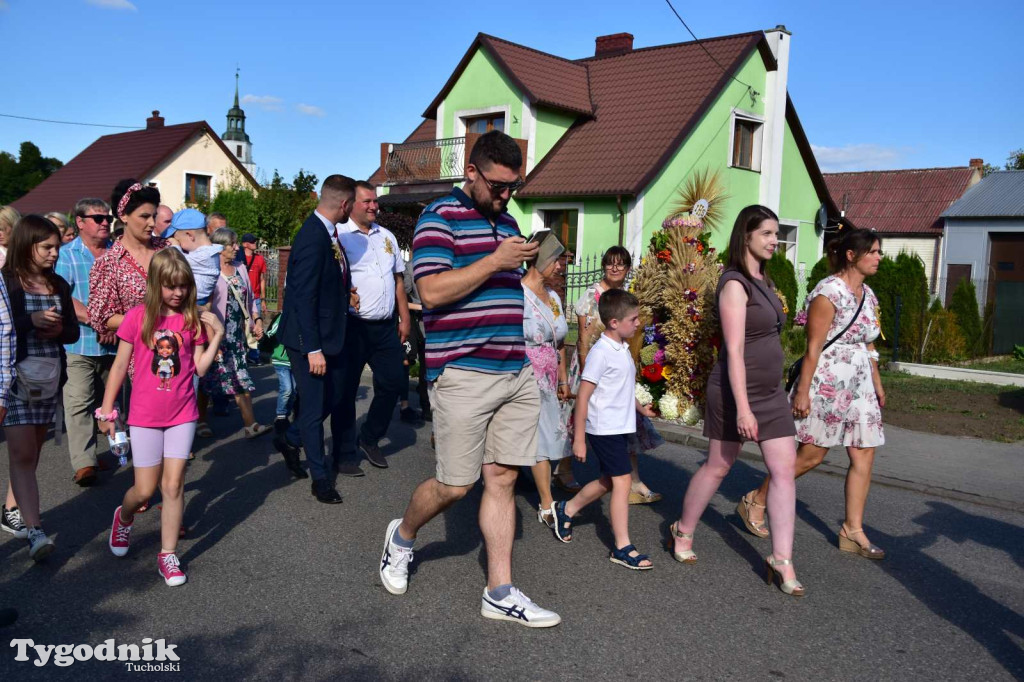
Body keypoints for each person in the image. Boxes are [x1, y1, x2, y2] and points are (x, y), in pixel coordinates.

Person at [378, 131, 559, 627]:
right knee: (454, 486)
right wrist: (496, 260)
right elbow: (431, 292)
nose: (506, 196)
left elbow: (506, 285)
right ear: (472, 173)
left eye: (513, 186)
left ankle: (499, 591)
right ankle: (403, 536)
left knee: (501, 478)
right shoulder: (439, 218)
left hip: (514, 368)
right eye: (498, 185)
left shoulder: (509, 221)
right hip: (461, 371)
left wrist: (528, 265)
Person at [667, 205, 803, 596]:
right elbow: (734, 350)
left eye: (776, 233)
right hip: (734, 392)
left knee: (783, 470)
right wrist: (743, 408)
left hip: (772, 393)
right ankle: (683, 529)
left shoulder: (764, 279)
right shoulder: (734, 284)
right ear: (746, 236)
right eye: (767, 234)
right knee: (718, 467)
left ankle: (782, 557)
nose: (775, 240)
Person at [741, 227, 887, 560]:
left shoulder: (869, 294)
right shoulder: (828, 292)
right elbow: (813, 346)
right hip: (828, 380)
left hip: (860, 382)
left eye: (880, 252)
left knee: (864, 453)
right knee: (812, 455)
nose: (879, 258)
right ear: (852, 255)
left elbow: (869, 341)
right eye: (874, 252)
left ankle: (853, 530)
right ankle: (757, 498)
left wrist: (877, 382)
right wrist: (802, 392)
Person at [99, 248, 224, 587]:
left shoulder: (192, 320)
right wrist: (107, 409)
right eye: (170, 286)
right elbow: (119, 367)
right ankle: (123, 517)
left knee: (173, 485)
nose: (178, 292)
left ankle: (167, 554)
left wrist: (218, 338)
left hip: (183, 413)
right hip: (144, 416)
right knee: (144, 490)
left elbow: (198, 368)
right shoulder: (138, 317)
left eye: (183, 285)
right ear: (156, 285)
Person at [550, 289, 656, 569]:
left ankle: (566, 509)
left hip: (619, 427)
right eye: (633, 319)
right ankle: (622, 547)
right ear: (613, 323)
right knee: (622, 481)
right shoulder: (600, 353)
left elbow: (622, 388)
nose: (637, 323)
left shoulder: (621, 348)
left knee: (610, 481)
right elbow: (583, 395)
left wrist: (641, 408)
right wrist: (580, 439)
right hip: (602, 429)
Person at [2, 215, 79, 560]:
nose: (54, 253)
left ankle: (12, 510)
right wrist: (29, 322)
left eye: (57, 248)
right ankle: (35, 531)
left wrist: (56, 330)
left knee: (30, 454)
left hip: (48, 380)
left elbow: (74, 333)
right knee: (20, 454)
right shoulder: (6, 282)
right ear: (26, 243)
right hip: (15, 379)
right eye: (47, 247)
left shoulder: (59, 284)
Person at [276, 175, 356, 503]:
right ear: (344, 204)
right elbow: (302, 296)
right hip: (307, 340)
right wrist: (313, 349)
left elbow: (323, 285)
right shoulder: (312, 236)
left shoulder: (327, 233)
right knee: (312, 408)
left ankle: (290, 437)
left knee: (334, 398)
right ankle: (320, 479)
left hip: (328, 334)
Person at [569, 246, 663, 503]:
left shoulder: (625, 297)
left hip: (618, 366)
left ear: (627, 268)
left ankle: (631, 480)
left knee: (627, 426)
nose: (614, 268)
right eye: (610, 263)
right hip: (594, 364)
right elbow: (584, 338)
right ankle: (565, 471)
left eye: (620, 264)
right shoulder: (593, 295)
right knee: (578, 420)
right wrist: (587, 368)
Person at [335, 182, 411, 473]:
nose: (373, 206)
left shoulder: (386, 236)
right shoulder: (339, 235)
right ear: (351, 204)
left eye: (375, 201)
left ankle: (369, 437)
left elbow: (398, 281)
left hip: (384, 327)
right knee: (346, 390)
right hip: (353, 327)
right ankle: (344, 452)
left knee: (392, 383)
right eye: (367, 201)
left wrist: (404, 317)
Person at [55, 198, 117, 487]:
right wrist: (98, 320)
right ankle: (85, 463)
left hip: (118, 342)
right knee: (79, 402)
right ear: (80, 222)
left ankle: (126, 452)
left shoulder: (119, 254)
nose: (105, 222)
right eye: (98, 218)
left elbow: (131, 295)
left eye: (108, 218)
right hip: (80, 343)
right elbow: (65, 296)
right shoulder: (66, 254)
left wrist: (117, 323)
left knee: (117, 403)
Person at [88, 179, 168, 379]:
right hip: (140, 358)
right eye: (144, 216)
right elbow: (103, 318)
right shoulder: (109, 263)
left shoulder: (167, 251)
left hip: (179, 350)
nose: (152, 223)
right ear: (123, 215)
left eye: (154, 216)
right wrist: (150, 322)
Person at [197, 228, 268, 438]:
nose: (237, 248)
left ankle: (250, 424)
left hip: (236, 336)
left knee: (240, 377)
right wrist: (212, 341)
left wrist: (256, 320)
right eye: (233, 244)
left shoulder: (240, 268)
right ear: (220, 248)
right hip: (215, 335)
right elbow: (204, 309)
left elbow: (249, 299)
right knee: (207, 380)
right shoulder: (209, 271)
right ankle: (201, 420)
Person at [521, 239, 570, 528]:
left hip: (550, 377)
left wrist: (563, 379)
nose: (560, 265)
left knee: (550, 435)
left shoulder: (554, 296)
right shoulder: (518, 293)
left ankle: (534, 484)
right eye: (556, 259)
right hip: (526, 376)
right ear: (540, 261)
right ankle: (546, 501)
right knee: (539, 436)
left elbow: (560, 341)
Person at [162, 209, 223, 308]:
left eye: (177, 239)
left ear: (190, 235)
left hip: (195, 302)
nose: (178, 242)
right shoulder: (211, 252)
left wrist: (175, 246)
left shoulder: (206, 256)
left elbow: (179, 262)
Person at [399, 259, 429, 422]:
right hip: (415, 321)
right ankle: (408, 406)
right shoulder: (409, 267)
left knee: (426, 366)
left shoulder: (410, 266)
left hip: (429, 324)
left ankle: (426, 407)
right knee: (408, 362)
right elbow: (403, 293)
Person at [240, 233, 266, 365]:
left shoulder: (260, 259)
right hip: (242, 298)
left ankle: (254, 355)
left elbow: (262, 279)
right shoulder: (240, 258)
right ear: (245, 244)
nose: (255, 243)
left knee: (257, 326)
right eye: (252, 241)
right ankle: (242, 353)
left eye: (255, 241)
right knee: (242, 326)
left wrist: (263, 299)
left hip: (255, 297)